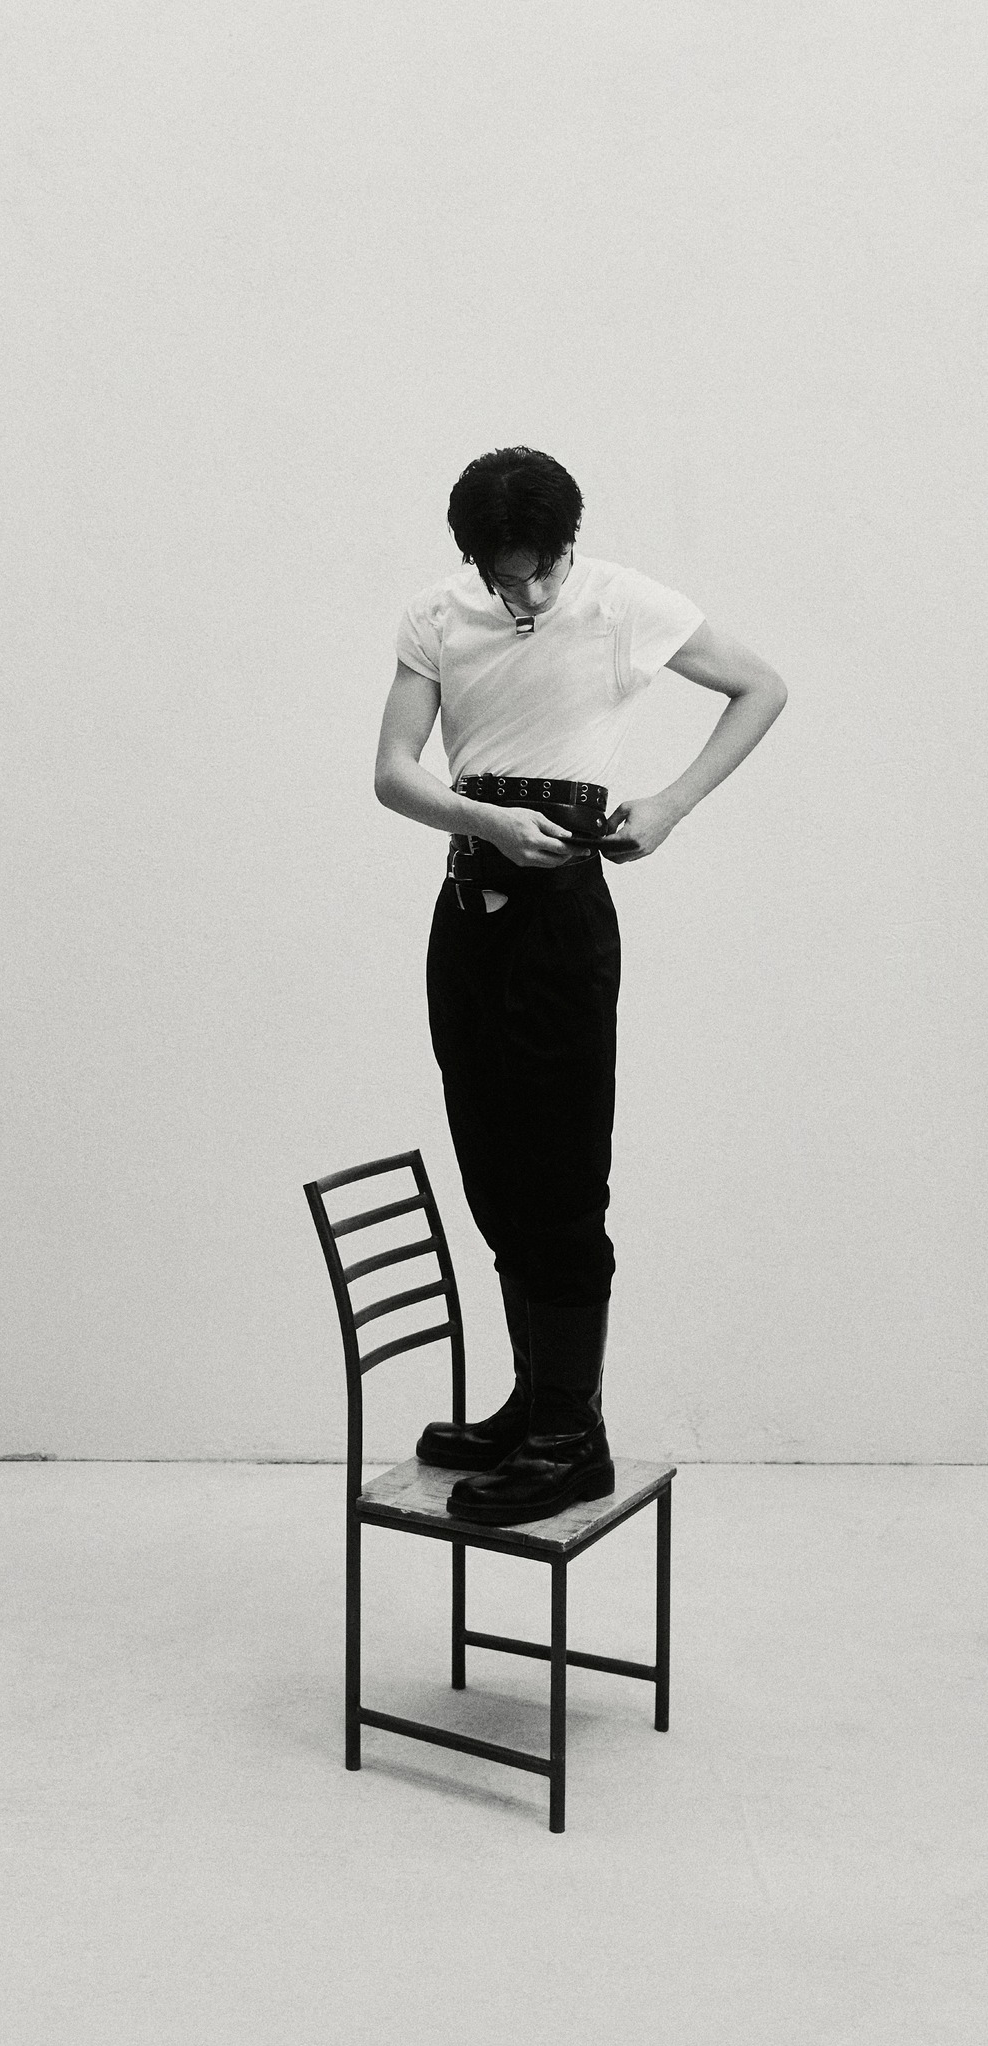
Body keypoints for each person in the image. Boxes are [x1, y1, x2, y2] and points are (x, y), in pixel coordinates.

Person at [373, 446, 786, 1527]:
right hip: (466, 913)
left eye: (543, 570)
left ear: (568, 542)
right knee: (491, 1165)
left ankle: (573, 1436)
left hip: (560, 924)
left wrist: (670, 805)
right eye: (505, 577)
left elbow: (760, 686)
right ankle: (532, 1405)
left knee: (559, 1171)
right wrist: (484, 817)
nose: (528, 596)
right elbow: (394, 771)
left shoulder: (620, 602)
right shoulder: (436, 615)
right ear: (475, 558)